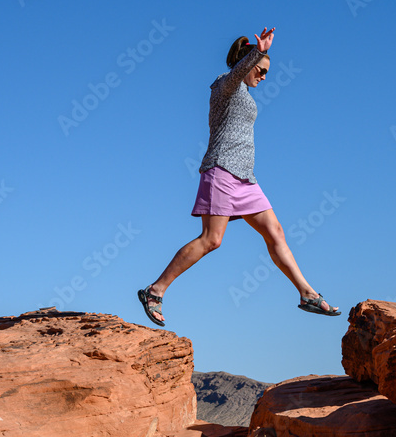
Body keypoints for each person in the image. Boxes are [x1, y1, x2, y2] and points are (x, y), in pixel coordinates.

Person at [137, 26, 339, 326]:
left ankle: (307, 293)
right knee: (211, 240)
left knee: (276, 232)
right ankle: (155, 291)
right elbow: (236, 74)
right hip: (221, 170)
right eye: (261, 69)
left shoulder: (244, 92)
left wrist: (260, 57)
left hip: (246, 178)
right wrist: (259, 51)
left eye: (267, 72)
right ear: (247, 63)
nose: (264, 76)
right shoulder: (224, 85)